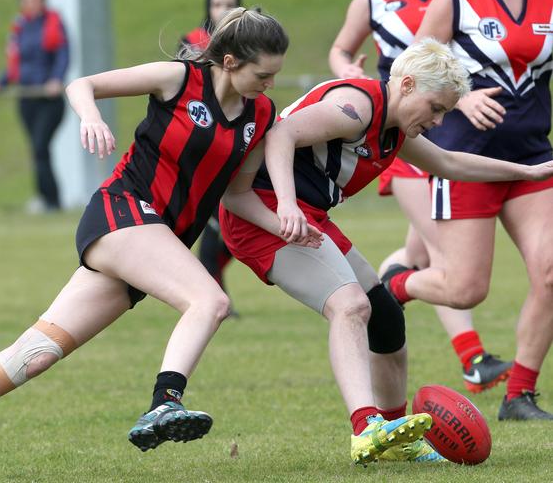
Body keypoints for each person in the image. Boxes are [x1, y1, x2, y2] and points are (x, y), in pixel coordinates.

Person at [0, 7, 304, 483]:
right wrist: (91, 118)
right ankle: (165, 402)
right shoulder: (178, 77)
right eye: (264, 74)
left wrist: (286, 219)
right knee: (210, 300)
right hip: (122, 213)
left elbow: (235, 195)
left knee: (33, 354)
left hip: (155, 240)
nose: (270, 85)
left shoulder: (260, 113)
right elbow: (81, 85)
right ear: (232, 61)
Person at [219, 37, 553, 464]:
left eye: (445, 113)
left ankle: (396, 441)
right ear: (408, 85)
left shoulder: (393, 126)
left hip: (307, 216)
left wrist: (527, 171)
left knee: (387, 320)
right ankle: (367, 427)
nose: (437, 121)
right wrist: (285, 204)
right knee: (351, 306)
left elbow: (450, 163)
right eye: (436, 108)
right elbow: (282, 135)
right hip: (263, 216)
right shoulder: (357, 108)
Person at [328, 0, 512, 394]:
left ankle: (390, 286)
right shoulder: (372, 2)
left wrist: (461, 99)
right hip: (394, 132)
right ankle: (473, 358)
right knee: (443, 255)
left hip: (435, 130)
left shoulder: (456, 1)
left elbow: (448, 76)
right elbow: (341, 47)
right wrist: (346, 69)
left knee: (418, 255)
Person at [382, 0, 553, 421]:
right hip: (465, 160)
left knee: (551, 272)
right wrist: (462, 99)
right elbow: (414, 67)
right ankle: (395, 288)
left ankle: (519, 395)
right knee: (465, 290)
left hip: (532, 159)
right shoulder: (456, 1)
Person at [182, 0, 242, 315]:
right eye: (217, 4)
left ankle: (211, 285)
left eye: (229, 4)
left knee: (234, 219)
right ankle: (213, 293)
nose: (223, 10)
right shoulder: (193, 42)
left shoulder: (249, 41)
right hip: (204, 141)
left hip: (238, 138)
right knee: (213, 219)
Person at [0, 0, 69, 213]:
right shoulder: (20, 26)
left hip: (48, 99)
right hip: (27, 98)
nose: (32, 4)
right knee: (37, 150)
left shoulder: (54, 23)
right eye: (27, 0)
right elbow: (15, 64)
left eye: (36, 0)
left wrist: (56, 79)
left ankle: (52, 201)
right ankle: (44, 198)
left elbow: (63, 55)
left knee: (41, 147)